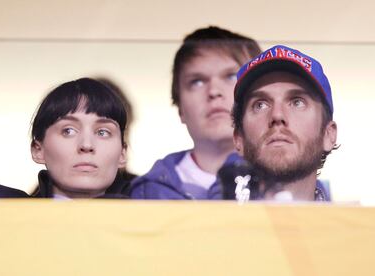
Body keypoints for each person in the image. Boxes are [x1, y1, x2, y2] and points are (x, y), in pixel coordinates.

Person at [130, 26, 262, 199]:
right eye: (197, 82)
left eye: (231, 76)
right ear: (180, 108)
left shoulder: (295, 180)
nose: (214, 91)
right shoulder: (148, 193)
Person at [0, 78, 129, 199]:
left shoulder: (149, 219)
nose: (86, 145)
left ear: (122, 153)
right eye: (68, 131)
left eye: (103, 132)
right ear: (38, 149)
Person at [230, 45, 338, 201]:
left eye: (297, 102)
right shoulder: (204, 225)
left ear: (328, 134)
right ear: (239, 138)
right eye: (260, 104)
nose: (277, 115)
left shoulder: (363, 225)